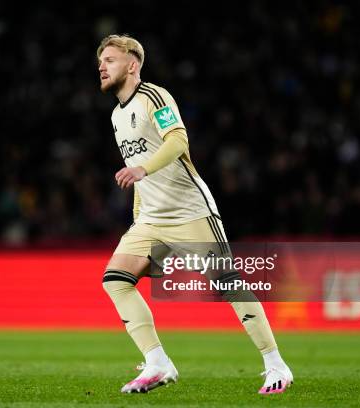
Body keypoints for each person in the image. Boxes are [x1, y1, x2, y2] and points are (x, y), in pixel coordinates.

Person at [97, 34, 293, 394]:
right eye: (101, 61)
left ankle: (276, 365)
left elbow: (177, 142)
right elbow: (139, 172)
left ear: (132, 64)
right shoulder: (115, 116)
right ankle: (157, 363)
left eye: (110, 59)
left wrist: (143, 170)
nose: (102, 66)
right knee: (115, 280)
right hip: (151, 220)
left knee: (228, 284)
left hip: (190, 211)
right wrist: (139, 214)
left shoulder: (154, 96)